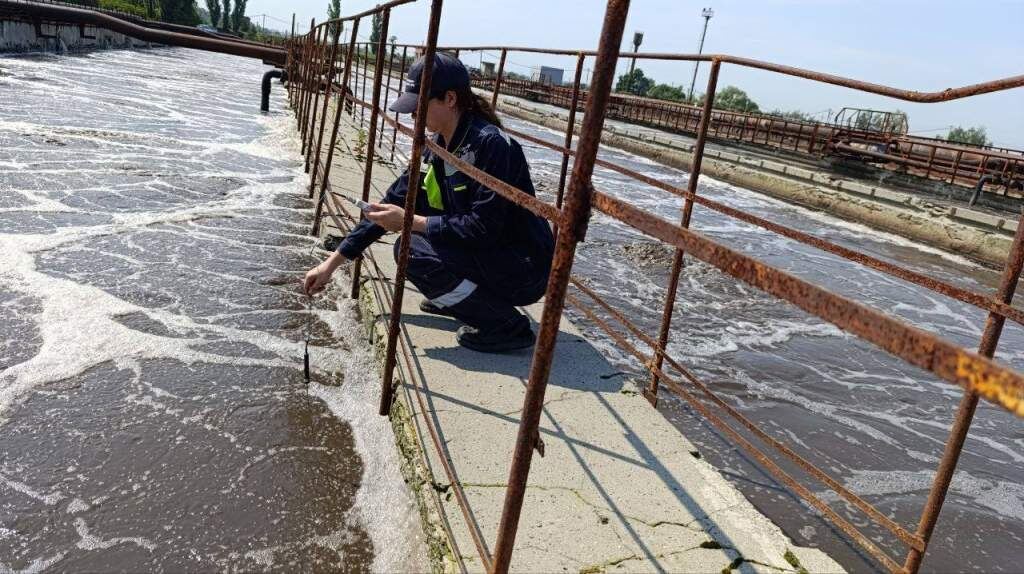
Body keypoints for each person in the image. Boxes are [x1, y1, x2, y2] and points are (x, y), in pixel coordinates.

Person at [303, 52, 554, 353]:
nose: (412, 116)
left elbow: (483, 227)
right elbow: (391, 204)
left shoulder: (491, 145)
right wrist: (331, 265)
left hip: (521, 266)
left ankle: (506, 326)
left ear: (449, 99)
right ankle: (468, 301)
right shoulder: (435, 146)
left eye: (419, 105)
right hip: (491, 254)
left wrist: (411, 222)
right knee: (413, 241)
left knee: (409, 249)